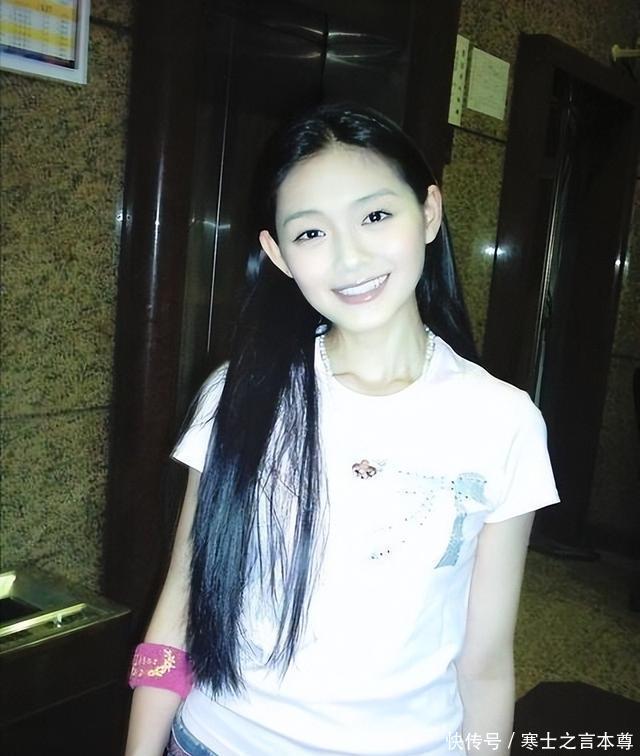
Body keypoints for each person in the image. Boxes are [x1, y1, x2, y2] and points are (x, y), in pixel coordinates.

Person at [125, 103, 559, 756]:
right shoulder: (239, 396)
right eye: (310, 233)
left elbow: (486, 664)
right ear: (277, 254)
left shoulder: (504, 421)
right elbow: (179, 609)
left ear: (429, 213)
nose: (350, 257)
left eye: (375, 216)